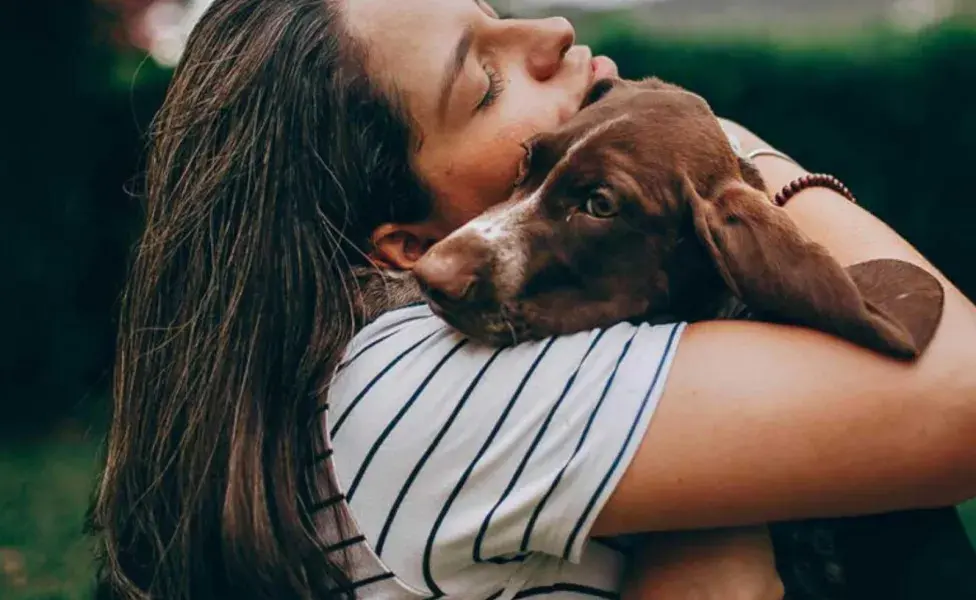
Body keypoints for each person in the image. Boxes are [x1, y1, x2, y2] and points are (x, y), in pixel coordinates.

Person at [87, 0, 976, 598]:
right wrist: (745, 162)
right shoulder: (420, 378)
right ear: (405, 250)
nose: (551, 27)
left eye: (493, 8)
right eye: (484, 83)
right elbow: (961, 398)